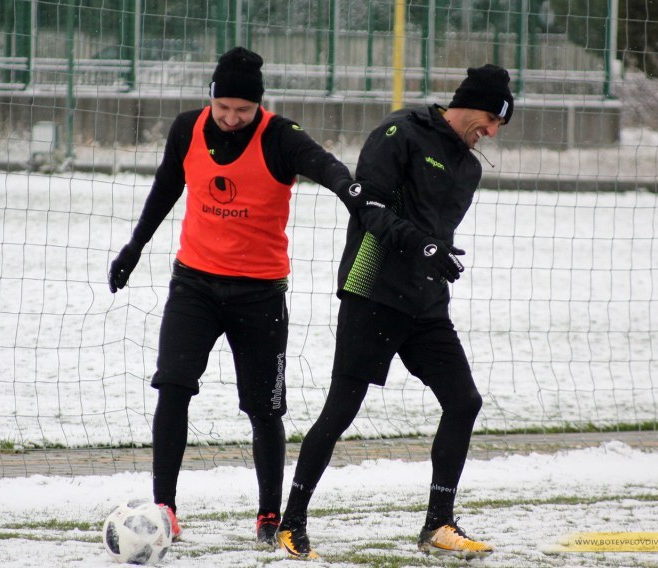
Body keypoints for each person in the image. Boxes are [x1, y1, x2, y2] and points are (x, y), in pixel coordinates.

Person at [108, 46, 364, 548]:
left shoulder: (280, 137)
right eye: (223, 107)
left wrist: (356, 196)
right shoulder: (187, 128)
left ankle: (270, 515)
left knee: (264, 409)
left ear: (258, 107)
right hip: (193, 286)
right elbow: (165, 188)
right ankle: (166, 511)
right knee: (173, 387)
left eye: (242, 111)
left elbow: (328, 167)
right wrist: (134, 248)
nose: (230, 118)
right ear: (211, 98)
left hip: (259, 295)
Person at [275, 64, 515, 560]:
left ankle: (438, 525)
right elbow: (370, 210)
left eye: (497, 127)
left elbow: (434, 232)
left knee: (464, 401)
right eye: (489, 119)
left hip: (425, 305)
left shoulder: (469, 168)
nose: (490, 133)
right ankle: (290, 523)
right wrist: (425, 248)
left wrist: (435, 256)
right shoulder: (398, 133)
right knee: (340, 412)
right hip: (373, 293)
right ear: (466, 104)